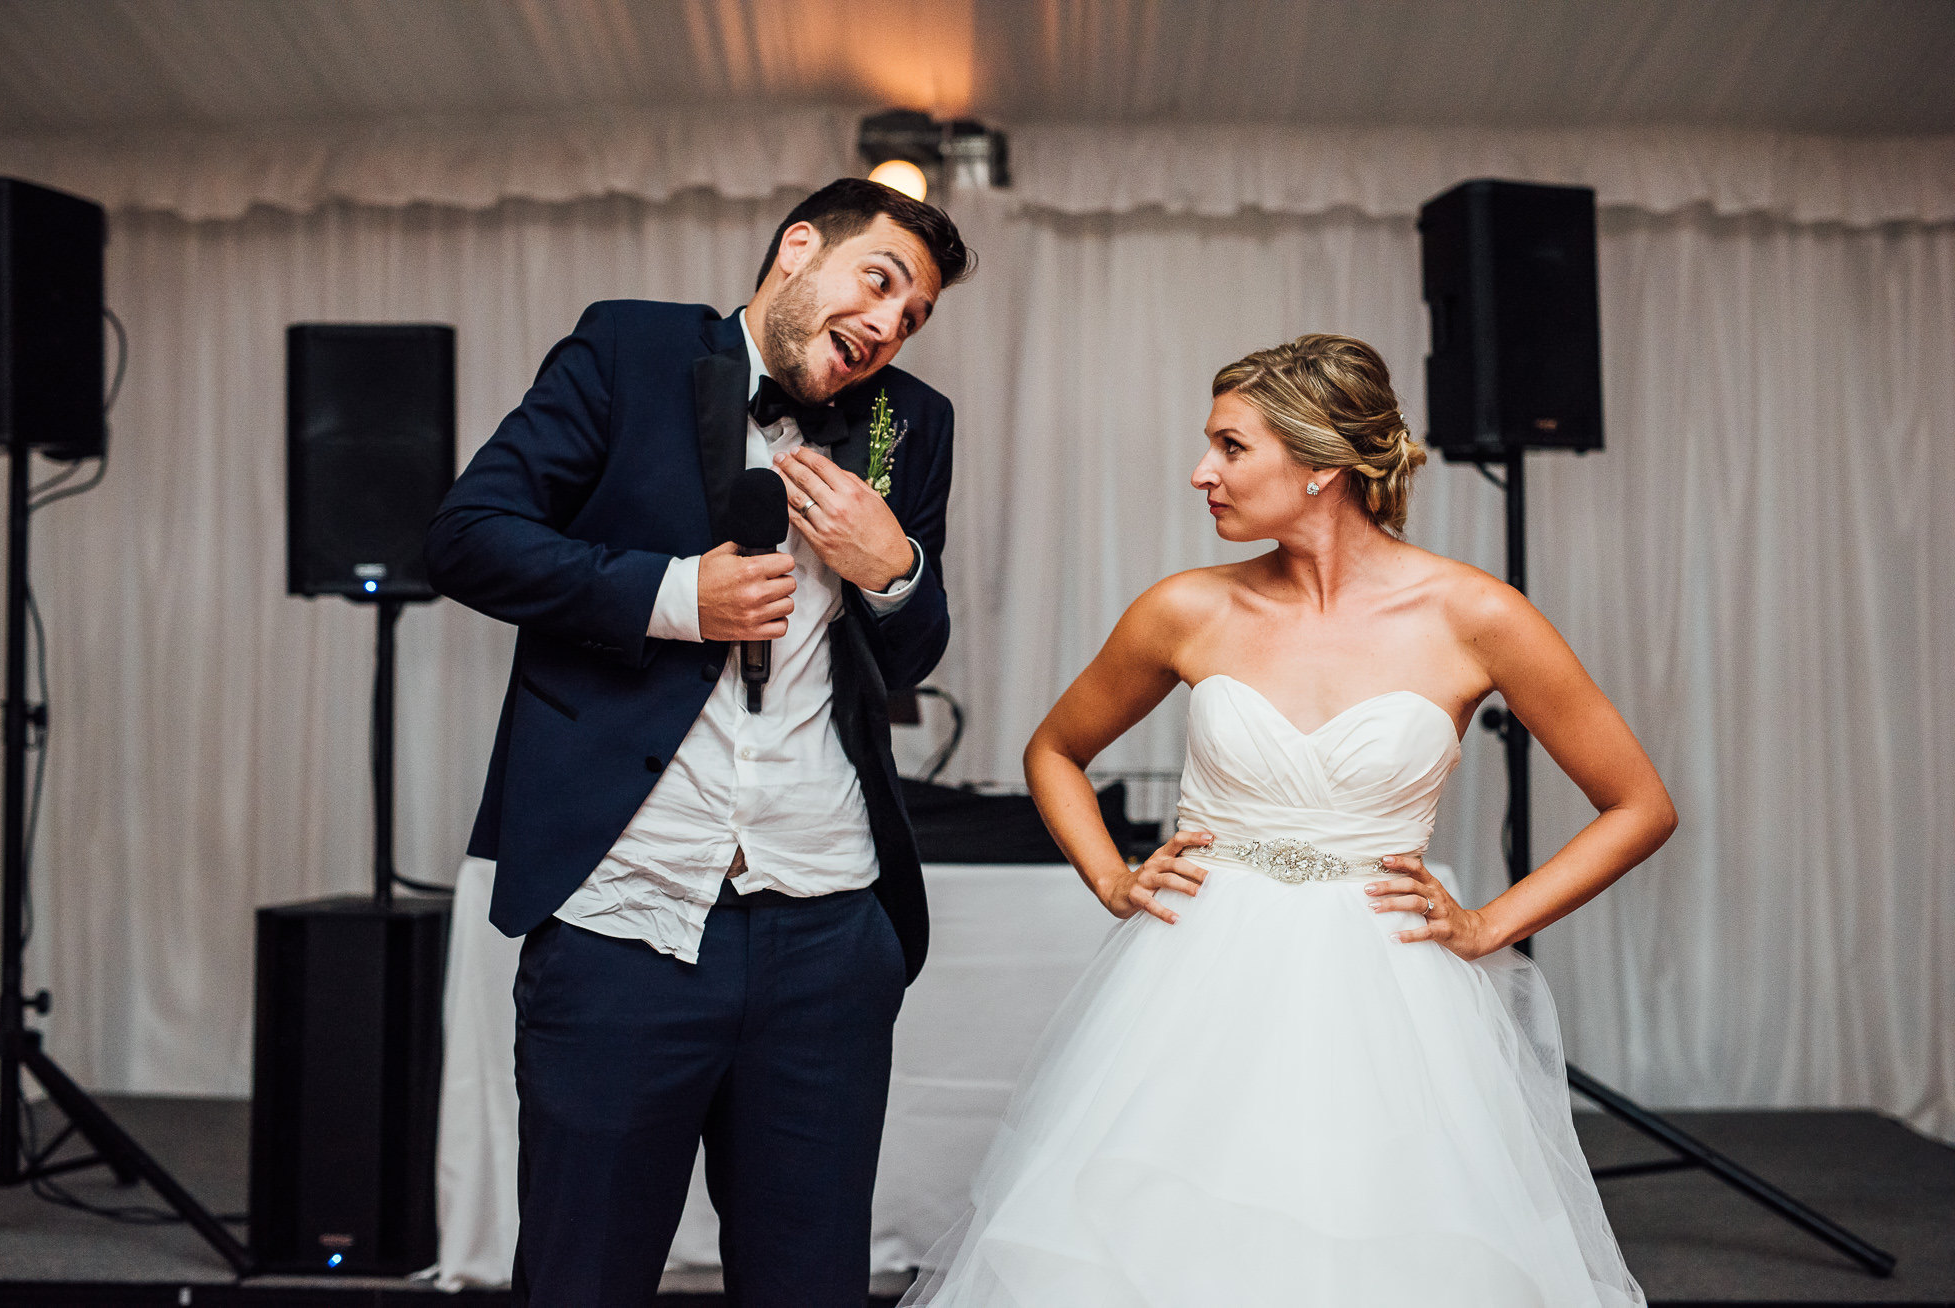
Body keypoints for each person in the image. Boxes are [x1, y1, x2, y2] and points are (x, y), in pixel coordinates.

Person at [905, 334, 1676, 1307]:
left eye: (1230, 447)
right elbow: (1053, 751)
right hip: (1189, 988)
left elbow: (1639, 805)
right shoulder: (1185, 609)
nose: (1201, 473)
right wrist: (1111, 877)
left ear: (1321, 466)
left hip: (1389, 998)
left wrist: (1488, 924)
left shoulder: (1475, 617)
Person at [425, 178, 973, 1308]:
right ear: (799, 247)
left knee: (810, 1283)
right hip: (626, 918)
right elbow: (470, 538)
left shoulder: (908, 423)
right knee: (582, 1277)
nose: (890, 322)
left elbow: (912, 656)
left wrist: (895, 571)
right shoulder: (629, 349)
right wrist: (676, 596)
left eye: (914, 313)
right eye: (880, 281)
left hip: (827, 929)